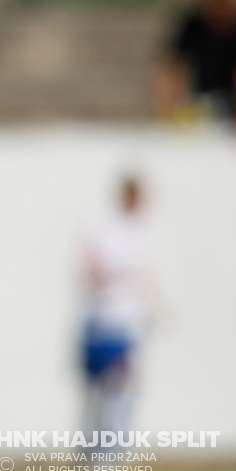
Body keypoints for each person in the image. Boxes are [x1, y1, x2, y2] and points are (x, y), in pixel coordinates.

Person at [79, 175, 150, 452]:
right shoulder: (104, 230)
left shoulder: (138, 233)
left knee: (123, 393)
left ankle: (107, 456)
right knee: (104, 395)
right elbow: (91, 273)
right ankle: (98, 457)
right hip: (107, 324)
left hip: (127, 325)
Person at [154, 0, 236, 132]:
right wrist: (170, 108)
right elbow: (174, 65)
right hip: (199, 101)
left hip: (233, 104)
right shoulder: (194, 25)